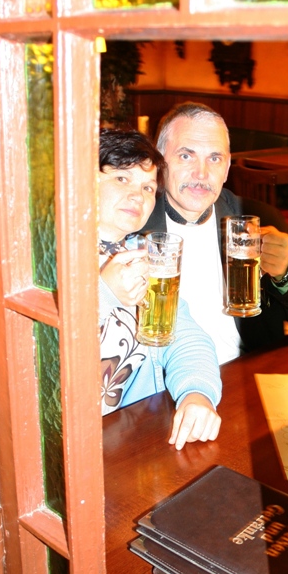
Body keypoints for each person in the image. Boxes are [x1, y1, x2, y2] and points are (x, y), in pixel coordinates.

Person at [143, 102, 288, 364]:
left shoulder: (256, 220)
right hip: (160, 379)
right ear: (159, 161)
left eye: (214, 158)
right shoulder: (134, 224)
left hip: (239, 373)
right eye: (186, 156)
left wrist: (285, 271)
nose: (202, 173)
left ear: (227, 168)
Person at [98, 127, 222, 449]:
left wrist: (197, 393)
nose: (138, 196)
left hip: (129, 435)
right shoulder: (47, 260)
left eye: (148, 187)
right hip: (64, 441)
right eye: (121, 178)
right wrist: (104, 293)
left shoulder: (143, 255)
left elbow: (186, 336)